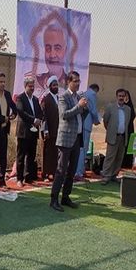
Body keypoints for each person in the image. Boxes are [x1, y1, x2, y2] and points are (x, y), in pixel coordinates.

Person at [50, 71, 87, 212]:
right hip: (66, 139)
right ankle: (54, 199)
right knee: (61, 170)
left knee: (72, 171)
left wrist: (84, 108)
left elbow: (79, 116)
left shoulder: (78, 97)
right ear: (68, 82)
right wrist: (79, 106)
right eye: (75, 81)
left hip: (77, 138)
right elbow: (64, 115)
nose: (77, 83)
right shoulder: (63, 97)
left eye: (79, 81)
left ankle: (65, 197)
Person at [15, 76, 43, 187]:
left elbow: (40, 112)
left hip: (34, 132)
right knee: (21, 156)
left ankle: (28, 177)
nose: (32, 88)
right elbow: (21, 112)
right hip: (23, 132)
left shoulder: (35, 99)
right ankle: (19, 178)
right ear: (25, 86)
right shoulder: (20, 98)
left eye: (33, 86)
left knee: (31, 155)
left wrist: (38, 119)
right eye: (30, 86)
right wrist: (33, 120)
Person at [102, 89, 131, 184]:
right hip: (113, 137)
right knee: (110, 157)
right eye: (119, 96)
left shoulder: (128, 109)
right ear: (116, 96)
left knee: (119, 158)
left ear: (125, 97)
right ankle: (106, 176)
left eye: (123, 96)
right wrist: (110, 131)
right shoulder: (110, 107)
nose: (121, 98)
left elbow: (127, 123)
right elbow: (105, 121)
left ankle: (114, 175)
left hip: (123, 137)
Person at [33, 25, 68, 95]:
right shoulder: (37, 81)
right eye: (48, 48)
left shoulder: (70, 83)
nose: (52, 55)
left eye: (57, 48)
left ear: (65, 51)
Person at [75, 83, 100, 180]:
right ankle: (79, 172)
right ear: (96, 90)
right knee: (83, 149)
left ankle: (80, 170)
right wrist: (96, 120)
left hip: (81, 124)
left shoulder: (85, 93)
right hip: (86, 123)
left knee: (81, 148)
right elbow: (93, 110)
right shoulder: (92, 94)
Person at [40, 76, 59, 182]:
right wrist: (45, 130)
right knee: (47, 152)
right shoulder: (46, 99)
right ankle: (45, 173)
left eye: (57, 85)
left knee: (54, 152)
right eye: (54, 85)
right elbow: (44, 116)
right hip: (48, 131)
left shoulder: (58, 98)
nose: (56, 87)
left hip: (57, 131)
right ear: (50, 86)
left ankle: (53, 172)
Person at [121, 89, 136, 168]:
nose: (125, 98)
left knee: (129, 145)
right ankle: (121, 162)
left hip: (129, 128)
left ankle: (128, 163)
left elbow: (133, 116)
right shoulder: (121, 105)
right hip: (122, 129)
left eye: (126, 96)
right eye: (124, 96)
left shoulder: (130, 105)